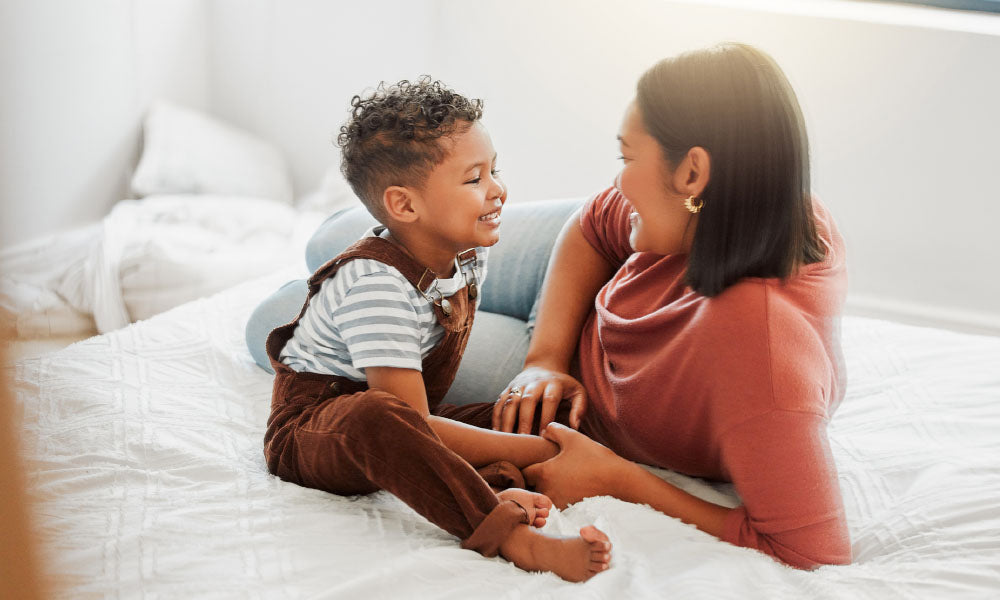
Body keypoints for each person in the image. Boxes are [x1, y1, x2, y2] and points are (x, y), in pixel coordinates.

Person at [249, 42, 850, 571]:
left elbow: (812, 547)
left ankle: (358, 282)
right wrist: (544, 358)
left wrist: (620, 478)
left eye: (626, 160)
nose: (616, 184)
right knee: (335, 242)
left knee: (271, 318)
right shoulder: (721, 207)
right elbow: (593, 223)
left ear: (692, 172)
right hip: (565, 329)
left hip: (586, 384)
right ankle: (365, 258)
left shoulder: (762, 346)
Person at [261, 77, 612, 583]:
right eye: (475, 179)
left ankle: (500, 482)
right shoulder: (375, 285)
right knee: (379, 416)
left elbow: (423, 418)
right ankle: (511, 535)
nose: (498, 190)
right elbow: (411, 421)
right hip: (319, 428)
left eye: (495, 170)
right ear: (404, 205)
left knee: (535, 412)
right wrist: (541, 449)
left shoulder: (468, 252)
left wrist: (540, 432)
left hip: (406, 410)